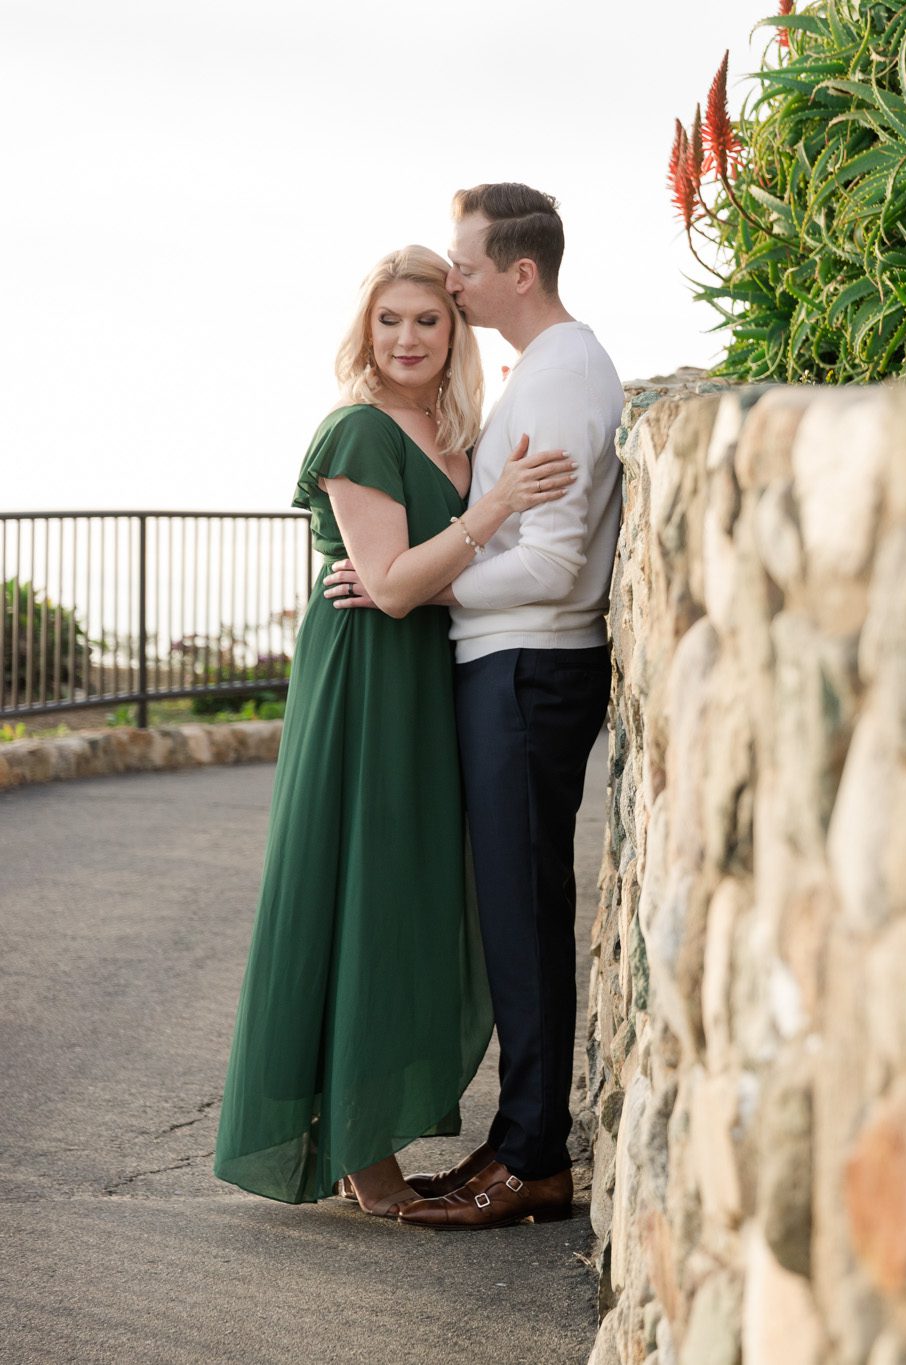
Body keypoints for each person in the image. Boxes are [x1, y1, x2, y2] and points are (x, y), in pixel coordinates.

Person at [214, 246, 578, 1218]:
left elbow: (423, 579)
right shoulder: (357, 433)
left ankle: (368, 1128)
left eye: (427, 320)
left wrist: (444, 542)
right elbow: (388, 585)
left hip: (432, 680)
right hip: (365, 687)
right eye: (390, 321)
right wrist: (489, 510)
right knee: (357, 896)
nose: (408, 338)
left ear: (454, 329)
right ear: (364, 331)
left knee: (412, 896)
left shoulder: (461, 435)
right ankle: (355, 1148)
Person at [328, 184, 624, 1230]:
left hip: (529, 671)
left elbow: (548, 566)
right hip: (508, 668)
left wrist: (416, 581)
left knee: (524, 917)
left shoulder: (563, 376)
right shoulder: (541, 374)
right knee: (512, 913)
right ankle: (515, 1142)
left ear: (517, 272)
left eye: (461, 267)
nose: (449, 282)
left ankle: (534, 1160)